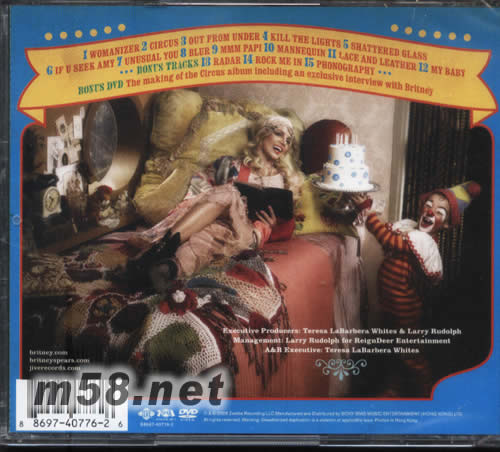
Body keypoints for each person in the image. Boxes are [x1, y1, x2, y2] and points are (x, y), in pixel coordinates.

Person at [120, 115, 304, 292]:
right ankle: (168, 269)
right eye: (279, 134)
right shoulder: (232, 165)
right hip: (221, 224)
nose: (284, 142)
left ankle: (158, 249)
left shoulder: (286, 179)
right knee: (208, 234)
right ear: (263, 134)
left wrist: (273, 226)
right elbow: (201, 192)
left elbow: (289, 225)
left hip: (249, 233)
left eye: (288, 140)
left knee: (229, 192)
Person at [352, 181, 480, 397]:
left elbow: (387, 239)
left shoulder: (424, 241)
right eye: (429, 205)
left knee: (411, 356)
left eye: (439, 212)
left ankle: (427, 393)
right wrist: (370, 207)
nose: (430, 211)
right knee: (394, 349)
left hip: (405, 310)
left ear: (446, 225)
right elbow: (388, 233)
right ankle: (393, 388)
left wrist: (367, 210)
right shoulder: (410, 229)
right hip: (390, 303)